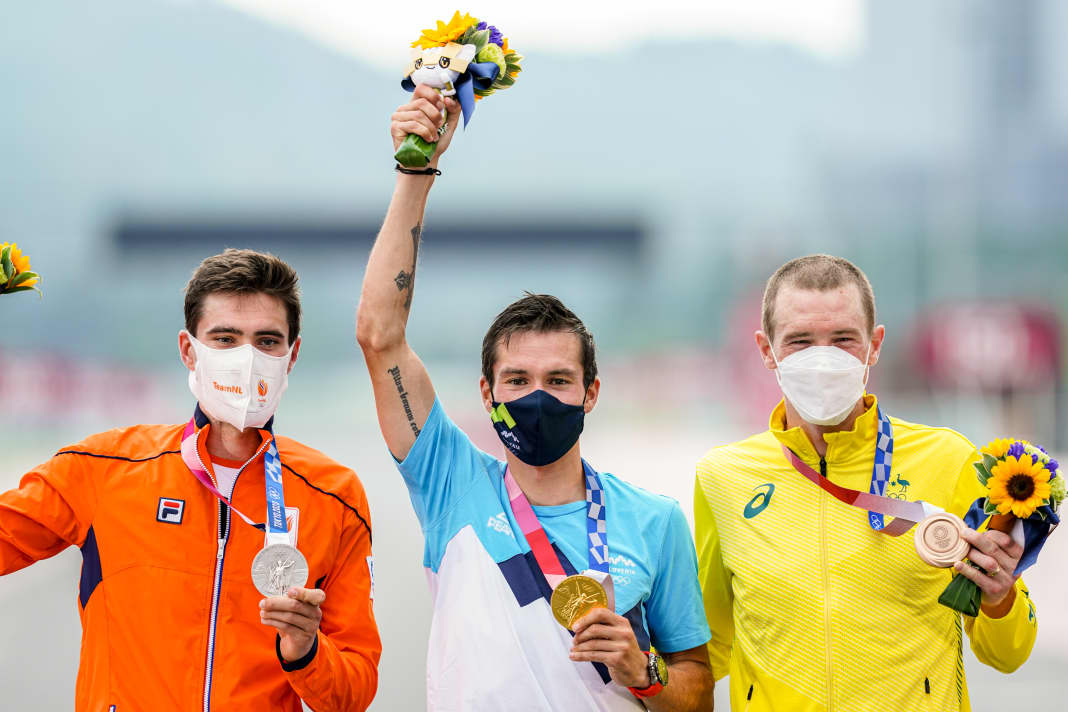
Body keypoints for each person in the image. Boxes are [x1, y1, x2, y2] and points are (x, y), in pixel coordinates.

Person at [356, 84, 715, 711]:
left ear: (592, 392)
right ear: (486, 393)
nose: (536, 398)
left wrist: (644, 667)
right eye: (517, 382)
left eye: (558, 381)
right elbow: (379, 336)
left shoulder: (655, 521)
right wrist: (417, 170)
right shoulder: (449, 480)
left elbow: (698, 693)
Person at [0, 249, 380, 711]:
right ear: (188, 350)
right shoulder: (103, 467)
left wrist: (306, 652)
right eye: (224, 338)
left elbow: (354, 693)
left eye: (266, 341)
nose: (246, 359)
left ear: (292, 354)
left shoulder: (335, 496)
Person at [694, 254, 1037, 711]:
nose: (823, 360)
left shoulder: (949, 460)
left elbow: (1008, 652)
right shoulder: (723, 476)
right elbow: (707, 645)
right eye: (799, 341)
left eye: (842, 340)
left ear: (874, 345)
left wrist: (1001, 598)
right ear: (765, 350)